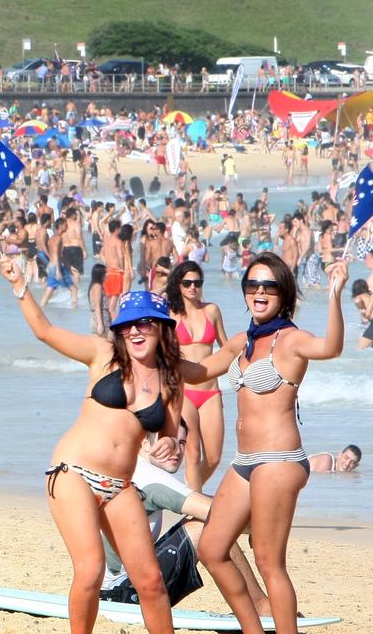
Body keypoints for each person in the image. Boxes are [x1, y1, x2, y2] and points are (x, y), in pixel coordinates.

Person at [1, 254, 188, 634]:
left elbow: (168, 435)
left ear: (161, 329)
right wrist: (19, 285)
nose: (136, 331)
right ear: (120, 331)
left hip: (120, 487)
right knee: (90, 571)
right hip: (73, 473)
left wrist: (171, 446)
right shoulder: (102, 355)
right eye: (129, 325)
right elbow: (45, 331)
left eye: (145, 323)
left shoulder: (170, 382)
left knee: (151, 581)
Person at [184, 253, 349, 634]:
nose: (259, 291)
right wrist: (150, 350)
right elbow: (197, 372)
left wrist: (335, 296)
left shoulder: (291, 340)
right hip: (244, 460)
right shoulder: (242, 343)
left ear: (283, 293)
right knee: (212, 549)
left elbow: (332, 348)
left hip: (279, 460)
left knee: (268, 561)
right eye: (252, 285)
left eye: (269, 285)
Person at [100, 422, 272, 617]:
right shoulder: (153, 480)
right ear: (145, 444)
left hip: (112, 590)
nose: (177, 451)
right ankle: (261, 608)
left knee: (208, 516)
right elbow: (222, 515)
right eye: (169, 442)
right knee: (208, 525)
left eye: (181, 443)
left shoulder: (131, 467)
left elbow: (212, 504)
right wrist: (258, 527)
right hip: (124, 595)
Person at [164, 261, 229, 491]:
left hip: (211, 391)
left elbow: (226, 348)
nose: (193, 287)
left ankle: (189, 495)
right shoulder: (170, 314)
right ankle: (196, 505)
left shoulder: (211, 310)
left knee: (213, 457)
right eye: (187, 283)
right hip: (184, 392)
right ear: (178, 285)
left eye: (197, 282)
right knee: (192, 454)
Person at [352, 279, 373, 349]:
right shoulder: (370, 296)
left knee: (360, 349)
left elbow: (365, 319)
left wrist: (362, 310)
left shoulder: (358, 297)